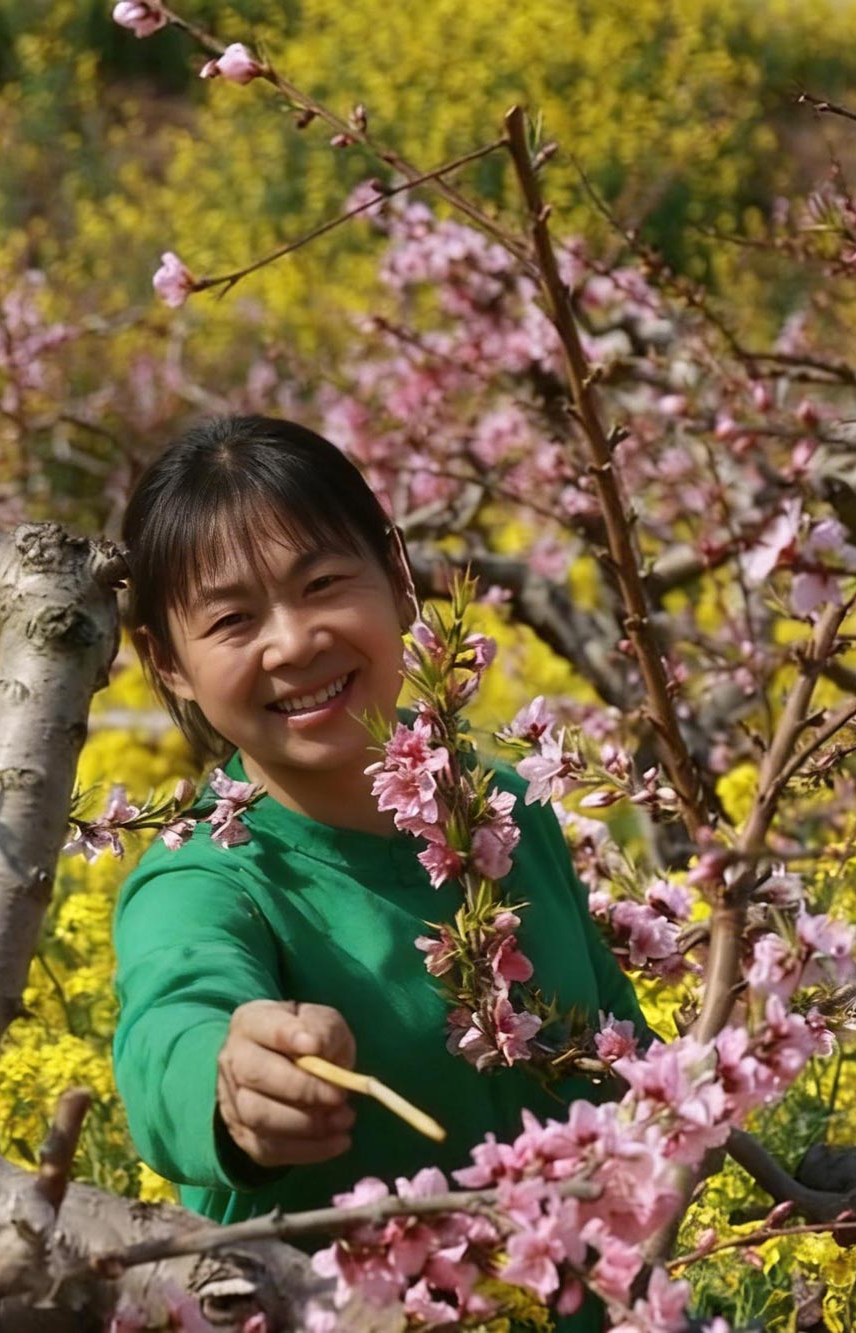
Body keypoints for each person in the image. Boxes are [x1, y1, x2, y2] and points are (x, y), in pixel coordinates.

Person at [110, 415, 653, 1325]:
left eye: (322, 584)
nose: (293, 642)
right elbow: (170, 1024)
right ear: (170, 662)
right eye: (234, 620)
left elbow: (623, 1059)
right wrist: (232, 1083)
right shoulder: (203, 876)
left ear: (398, 579)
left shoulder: (509, 809)